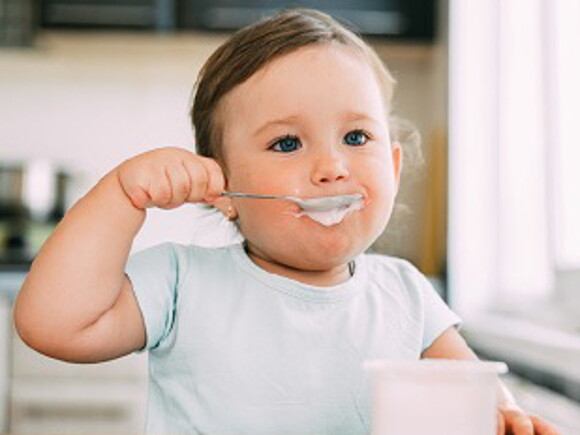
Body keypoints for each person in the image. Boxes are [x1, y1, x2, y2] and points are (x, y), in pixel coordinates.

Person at [13, 8, 559, 435]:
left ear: (391, 167)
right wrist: (119, 197)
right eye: (288, 142)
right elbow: (52, 325)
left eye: (356, 137)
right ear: (222, 191)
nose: (331, 167)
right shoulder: (182, 284)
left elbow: (473, 393)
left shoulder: (408, 296)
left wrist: (507, 414)